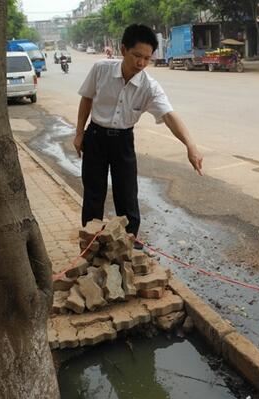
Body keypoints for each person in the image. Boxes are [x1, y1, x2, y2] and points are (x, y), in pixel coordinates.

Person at [74, 24, 203, 248]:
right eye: (137, 56)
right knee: (94, 193)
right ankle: (89, 244)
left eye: (147, 58)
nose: (141, 63)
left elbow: (170, 116)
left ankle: (128, 244)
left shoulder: (149, 87)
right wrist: (79, 134)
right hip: (95, 137)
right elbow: (86, 99)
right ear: (123, 50)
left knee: (127, 195)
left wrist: (190, 146)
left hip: (123, 141)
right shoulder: (100, 70)